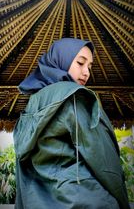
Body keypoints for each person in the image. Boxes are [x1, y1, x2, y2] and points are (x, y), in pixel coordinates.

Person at [13, 38, 130, 209]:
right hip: (84, 200)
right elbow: (104, 160)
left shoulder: (33, 102)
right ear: (61, 60)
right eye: (80, 63)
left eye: (89, 66)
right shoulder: (75, 97)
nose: (86, 72)